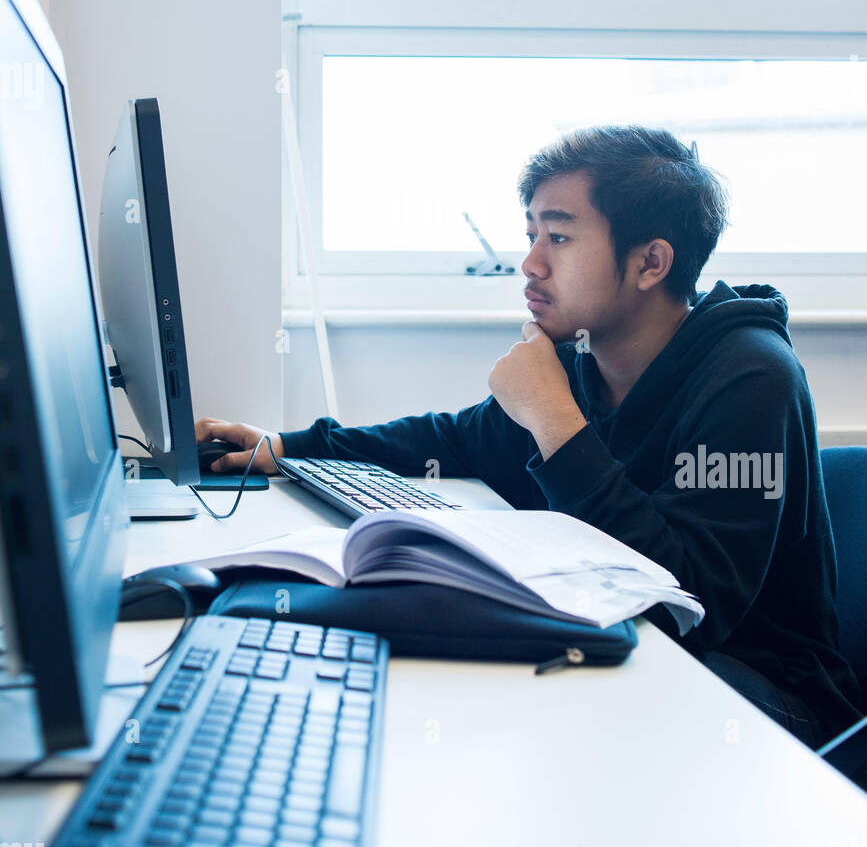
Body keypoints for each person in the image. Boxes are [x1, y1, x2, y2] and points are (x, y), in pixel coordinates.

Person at [197, 124, 863, 749]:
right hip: (649, 660)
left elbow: (684, 602)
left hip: (769, 696)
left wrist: (553, 420)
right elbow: (452, 441)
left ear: (650, 262)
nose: (529, 264)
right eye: (530, 235)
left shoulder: (750, 376)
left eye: (559, 238)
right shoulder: (579, 358)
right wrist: (286, 446)